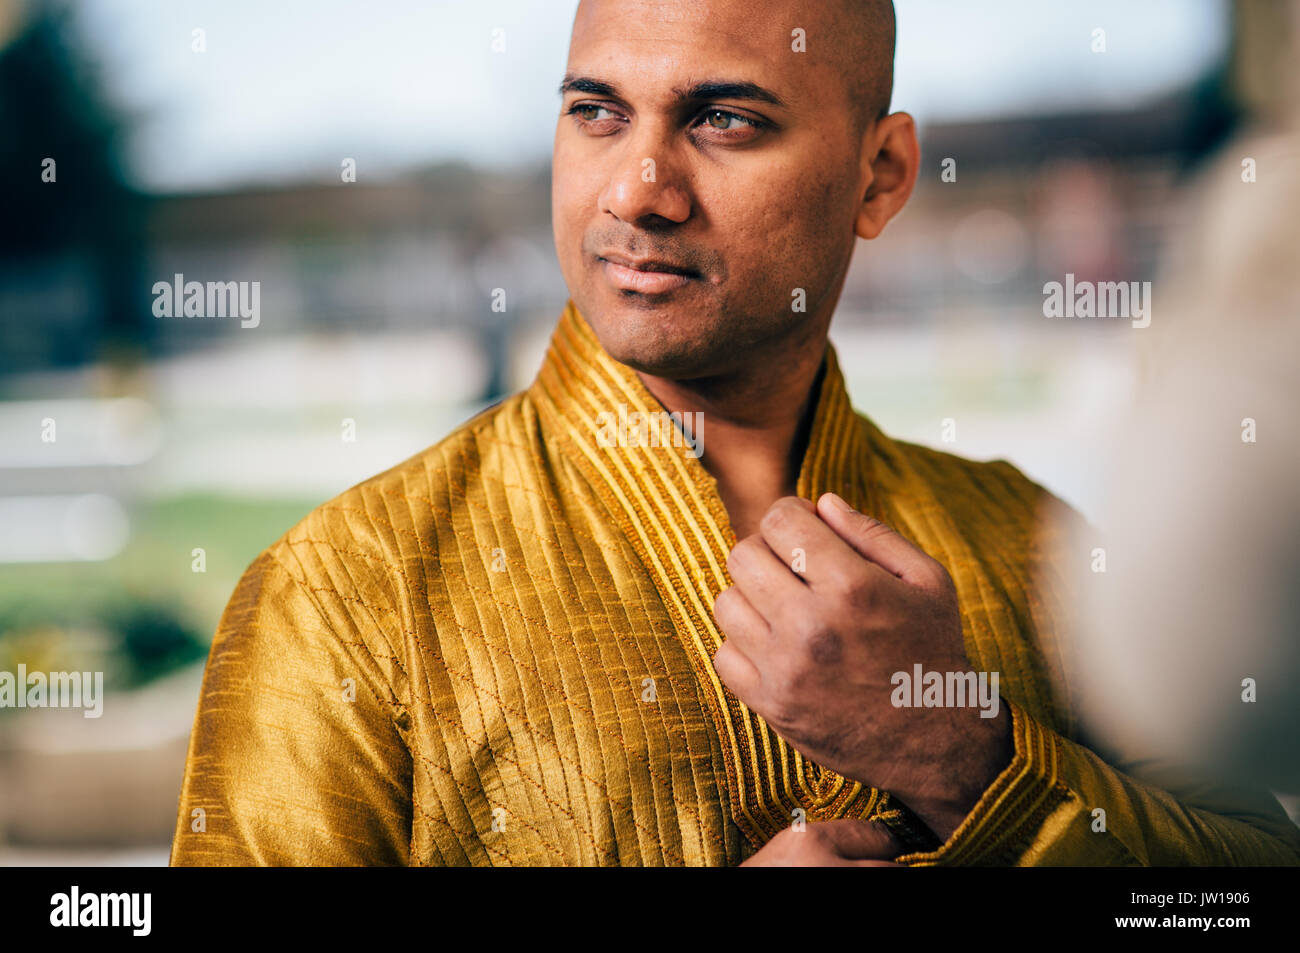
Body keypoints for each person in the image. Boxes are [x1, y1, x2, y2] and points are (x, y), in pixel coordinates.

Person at [170, 0, 1300, 866]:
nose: (638, 191)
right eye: (596, 112)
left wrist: (965, 759)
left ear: (881, 173)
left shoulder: (1038, 543)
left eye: (723, 119)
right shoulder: (342, 598)